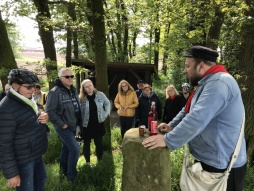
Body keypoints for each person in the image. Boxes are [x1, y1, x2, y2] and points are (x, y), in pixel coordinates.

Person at [142, 45, 247, 191]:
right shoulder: (207, 83)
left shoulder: (219, 83)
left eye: (187, 66)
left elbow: (197, 118)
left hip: (223, 165)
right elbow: (189, 110)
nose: (185, 70)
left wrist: (167, 140)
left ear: (201, 65)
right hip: (212, 160)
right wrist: (172, 125)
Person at [0, 68, 48, 190]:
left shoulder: (26, 99)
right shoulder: (6, 109)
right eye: (29, 87)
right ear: (15, 86)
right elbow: (3, 144)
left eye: (34, 86)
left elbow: (27, 121)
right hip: (22, 160)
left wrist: (43, 117)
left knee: (41, 180)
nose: (33, 90)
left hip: (35, 153)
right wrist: (12, 174)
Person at [46, 67, 81, 182]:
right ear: (61, 78)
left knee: (66, 149)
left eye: (71, 76)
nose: (70, 78)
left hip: (73, 125)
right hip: (63, 127)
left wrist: (77, 124)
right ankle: (72, 177)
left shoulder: (73, 90)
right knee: (75, 149)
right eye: (67, 76)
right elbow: (50, 111)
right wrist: (62, 124)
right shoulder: (55, 92)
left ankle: (63, 171)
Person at [79, 79, 111, 166]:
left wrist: (107, 113)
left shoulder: (100, 94)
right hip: (86, 125)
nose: (89, 88)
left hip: (98, 123)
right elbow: (78, 112)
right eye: (86, 87)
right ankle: (88, 163)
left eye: (90, 85)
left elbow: (108, 103)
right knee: (86, 144)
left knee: (99, 143)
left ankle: (100, 161)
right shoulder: (81, 98)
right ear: (83, 89)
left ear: (93, 85)